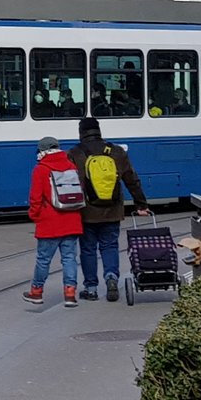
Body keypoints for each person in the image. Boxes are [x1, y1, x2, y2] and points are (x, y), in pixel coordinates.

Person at [68, 117, 150, 302]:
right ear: (99, 131)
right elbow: (131, 179)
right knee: (110, 246)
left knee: (88, 249)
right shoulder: (116, 151)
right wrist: (141, 204)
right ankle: (111, 278)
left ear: (81, 133)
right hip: (112, 210)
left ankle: (91, 288)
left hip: (86, 212)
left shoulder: (74, 153)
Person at [22, 136, 84, 308]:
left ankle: (36, 292)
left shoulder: (41, 169)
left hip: (49, 222)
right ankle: (70, 294)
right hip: (71, 220)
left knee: (43, 260)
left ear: (42, 151)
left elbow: (35, 198)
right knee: (69, 259)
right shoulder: (71, 166)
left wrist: (34, 215)